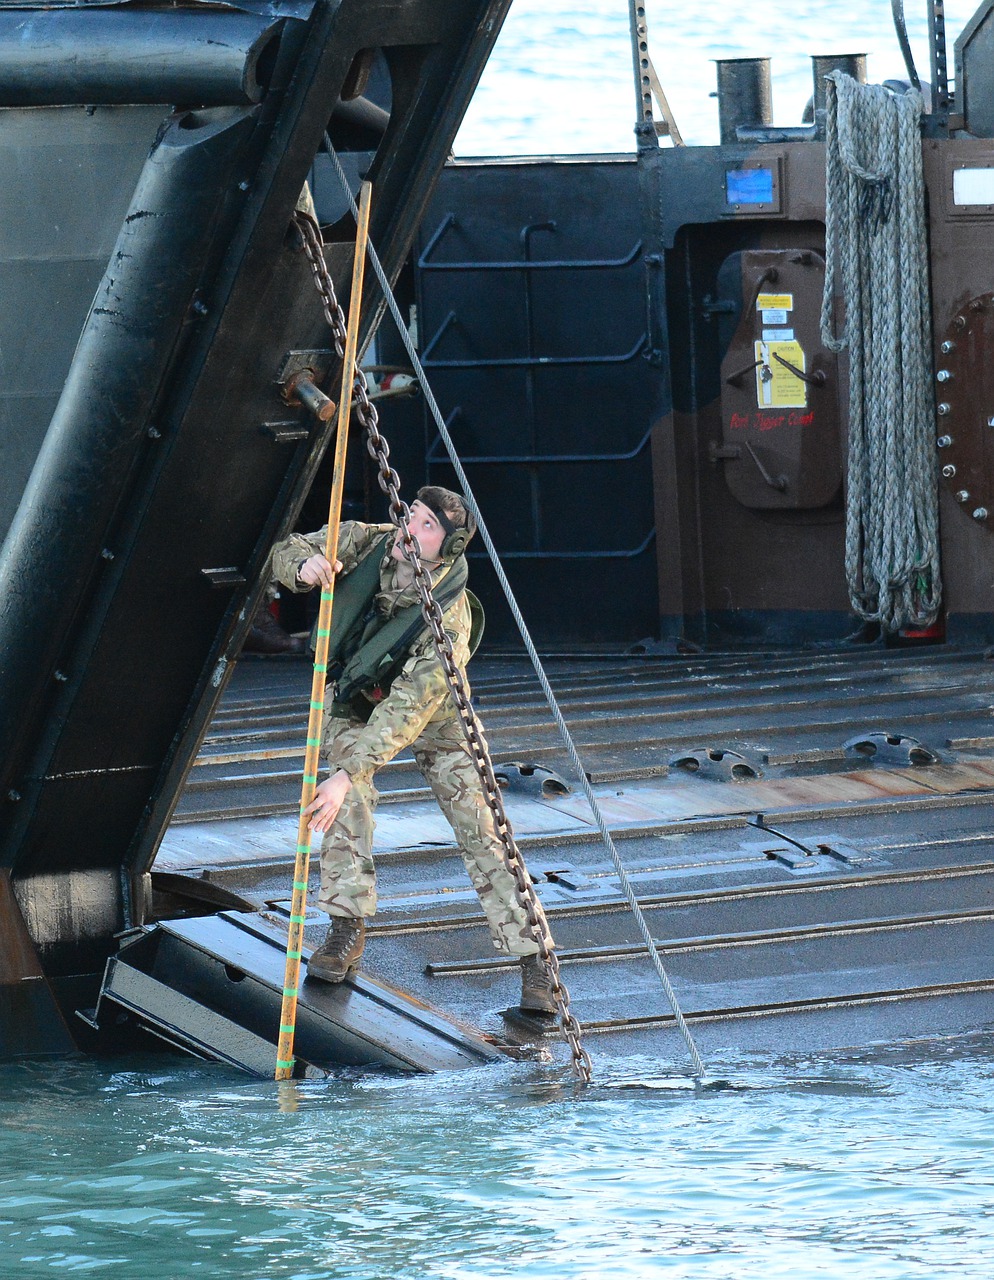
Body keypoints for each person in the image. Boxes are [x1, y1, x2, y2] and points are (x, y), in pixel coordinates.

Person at [269, 486, 557, 1015]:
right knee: (341, 805)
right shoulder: (364, 542)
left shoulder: (449, 618)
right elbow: (277, 551)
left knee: (481, 828)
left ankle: (534, 959)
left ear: (443, 551)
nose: (410, 529)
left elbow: (408, 709)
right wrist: (304, 566)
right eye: (413, 516)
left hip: (436, 715)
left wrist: (349, 771)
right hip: (357, 699)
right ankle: (346, 925)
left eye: (427, 527)